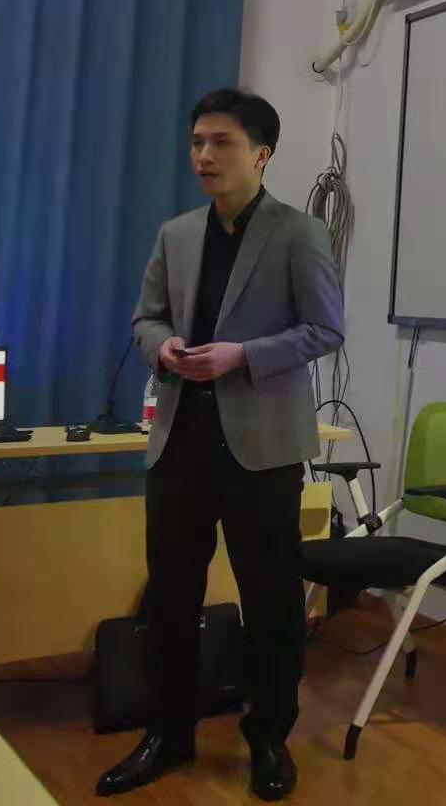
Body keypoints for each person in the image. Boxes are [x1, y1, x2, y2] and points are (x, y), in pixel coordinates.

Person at [97, 89, 344, 801]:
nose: (204, 155)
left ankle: (268, 735)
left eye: (222, 142)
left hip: (261, 449)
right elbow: (145, 318)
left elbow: (326, 329)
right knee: (171, 596)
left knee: (271, 600)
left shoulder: (299, 233)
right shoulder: (175, 234)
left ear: (261, 154)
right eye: (197, 142)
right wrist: (162, 347)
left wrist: (244, 356)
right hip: (180, 442)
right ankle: (169, 733)